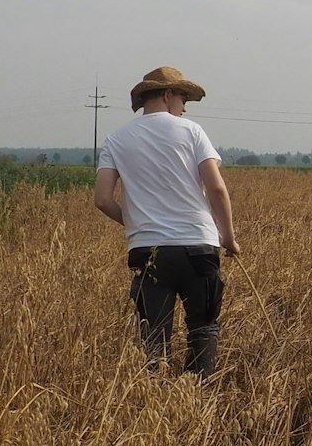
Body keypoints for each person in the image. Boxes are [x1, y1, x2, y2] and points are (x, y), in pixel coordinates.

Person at [93, 66, 241, 375]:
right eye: (183, 97)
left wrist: (137, 226)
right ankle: (198, 396)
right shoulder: (192, 132)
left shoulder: (116, 139)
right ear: (168, 94)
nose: (185, 107)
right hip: (198, 247)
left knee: (154, 339)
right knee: (203, 327)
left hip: (148, 251)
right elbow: (216, 187)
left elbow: (103, 200)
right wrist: (227, 236)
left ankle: (155, 402)